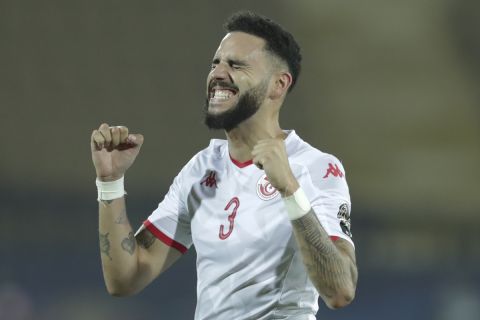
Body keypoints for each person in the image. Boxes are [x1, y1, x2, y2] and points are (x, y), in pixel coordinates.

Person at [90, 11, 357, 320]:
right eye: (215, 63)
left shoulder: (315, 167)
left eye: (236, 64)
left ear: (278, 85)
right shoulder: (202, 169)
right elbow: (125, 278)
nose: (218, 73)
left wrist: (289, 189)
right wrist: (110, 181)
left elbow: (340, 291)